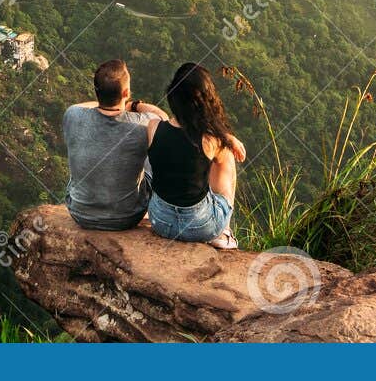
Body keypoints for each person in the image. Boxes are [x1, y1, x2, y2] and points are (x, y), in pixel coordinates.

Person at [144, 62, 244, 249]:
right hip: (202, 227)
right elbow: (204, 131)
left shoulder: (154, 127)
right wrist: (227, 138)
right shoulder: (212, 141)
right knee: (226, 157)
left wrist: (135, 105)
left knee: (153, 156)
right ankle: (224, 232)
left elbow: (162, 119)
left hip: (160, 223)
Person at [61, 59, 170, 230]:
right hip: (127, 217)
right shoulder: (143, 124)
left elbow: (81, 106)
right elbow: (163, 118)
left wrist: (102, 102)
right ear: (126, 92)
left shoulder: (73, 115)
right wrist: (134, 105)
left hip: (80, 214)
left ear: (97, 92)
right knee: (151, 152)